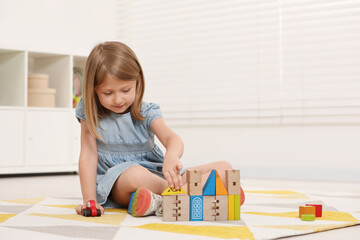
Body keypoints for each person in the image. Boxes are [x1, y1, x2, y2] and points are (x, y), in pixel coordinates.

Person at [75, 41, 244, 217]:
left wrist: (171, 156)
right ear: (94, 90)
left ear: (137, 81)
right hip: (119, 183)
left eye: (125, 90)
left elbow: (172, 138)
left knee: (225, 167)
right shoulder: (89, 112)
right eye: (108, 93)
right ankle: (189, 196)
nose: (118, 100)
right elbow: (88, 154)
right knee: (134, 174)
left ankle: (165, 199)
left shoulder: (146, 111)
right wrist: (90, 201)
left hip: (156, 175)